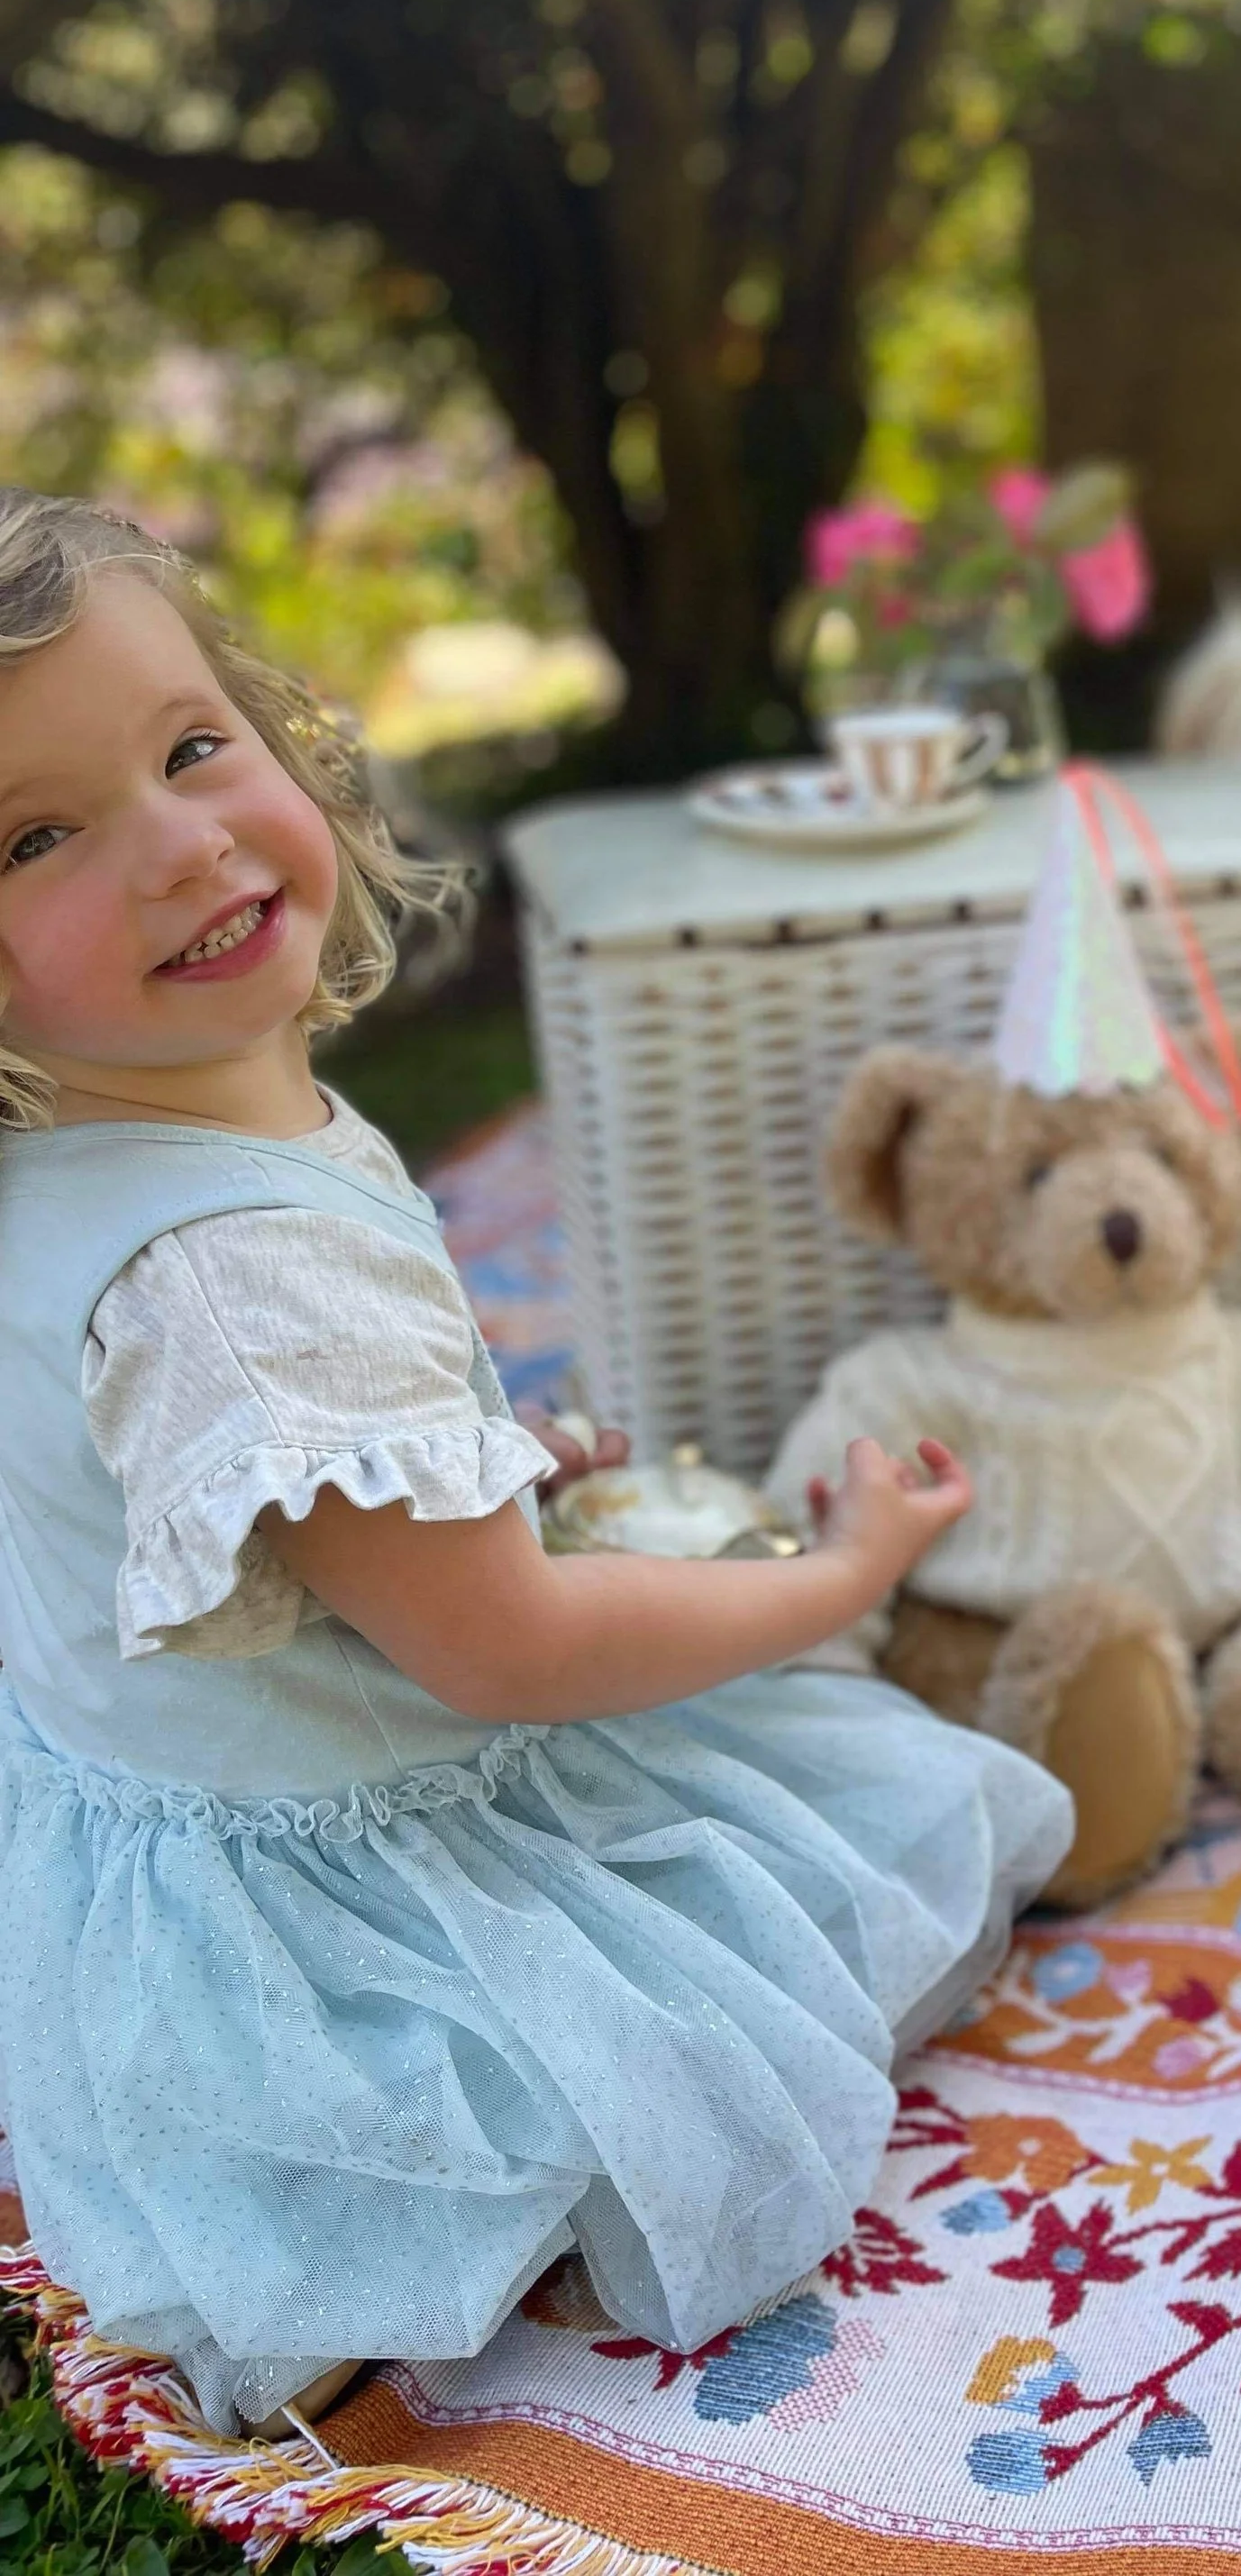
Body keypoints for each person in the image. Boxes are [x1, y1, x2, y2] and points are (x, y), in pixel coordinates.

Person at [0, 493, 1071, 2437]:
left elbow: (204, 1479)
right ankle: (374, 2210)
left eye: (187, 747)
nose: (177, 846)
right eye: (35, 834)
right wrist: (831, 1580)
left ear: (268, 728)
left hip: (154, 1789)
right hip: (333, 1862)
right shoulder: (231, 1274)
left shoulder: (91, 1147)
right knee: (841, 1858)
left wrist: (457, 1466)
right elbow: (506, 1650)